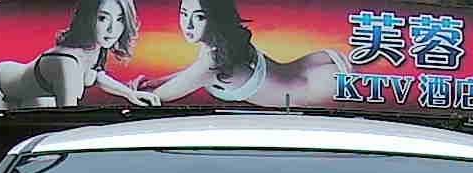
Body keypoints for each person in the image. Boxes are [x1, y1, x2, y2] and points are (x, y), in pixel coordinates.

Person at [137, 0, 349, 109]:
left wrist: (129, 90)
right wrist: (155, 81)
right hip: (316, 65)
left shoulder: (213, 62)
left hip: (320, 86)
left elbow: (152, 100)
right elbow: (192, 73)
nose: (188, 25)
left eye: (199, 17)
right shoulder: (223, 44)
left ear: (216, 18)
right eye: (184, 14)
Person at [0, 0, 158, 109]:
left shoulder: (96, 49)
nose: (112, 29)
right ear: (87, 18)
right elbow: (67, 114)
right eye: (103, 18)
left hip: (36, 94)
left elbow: (96, 76)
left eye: (119, 19)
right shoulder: (66, 63)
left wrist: (129, 94)